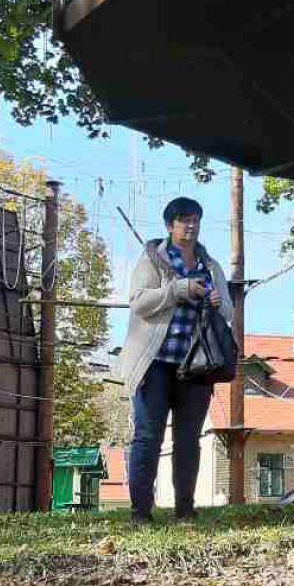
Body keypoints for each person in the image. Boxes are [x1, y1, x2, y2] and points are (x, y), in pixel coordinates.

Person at [119, 197, 232, 523]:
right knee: (148, 437)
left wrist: (217, 302)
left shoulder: (210, 266)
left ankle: (185, 510)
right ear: (170, 225)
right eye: (184, 220)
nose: (191, 226)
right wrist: (178, 289)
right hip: (154, 364)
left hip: (196, 366)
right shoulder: (152, 260)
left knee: (188, 440)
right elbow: (139, 303)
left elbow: (228, 311)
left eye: (195, 220)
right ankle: (141, 513)